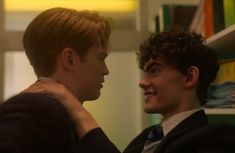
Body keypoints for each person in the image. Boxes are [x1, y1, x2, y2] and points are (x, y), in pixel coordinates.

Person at [23, 30, 235, 153]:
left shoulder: (218, 138)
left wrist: (77, 110)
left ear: (189, 77)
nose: (142, 83)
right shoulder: (144, 138)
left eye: (154, 71)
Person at [0, 7, 120, 153]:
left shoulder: (58, 111)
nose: (105, 70)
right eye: (100, 58)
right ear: (70, 59)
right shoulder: (38, 108)